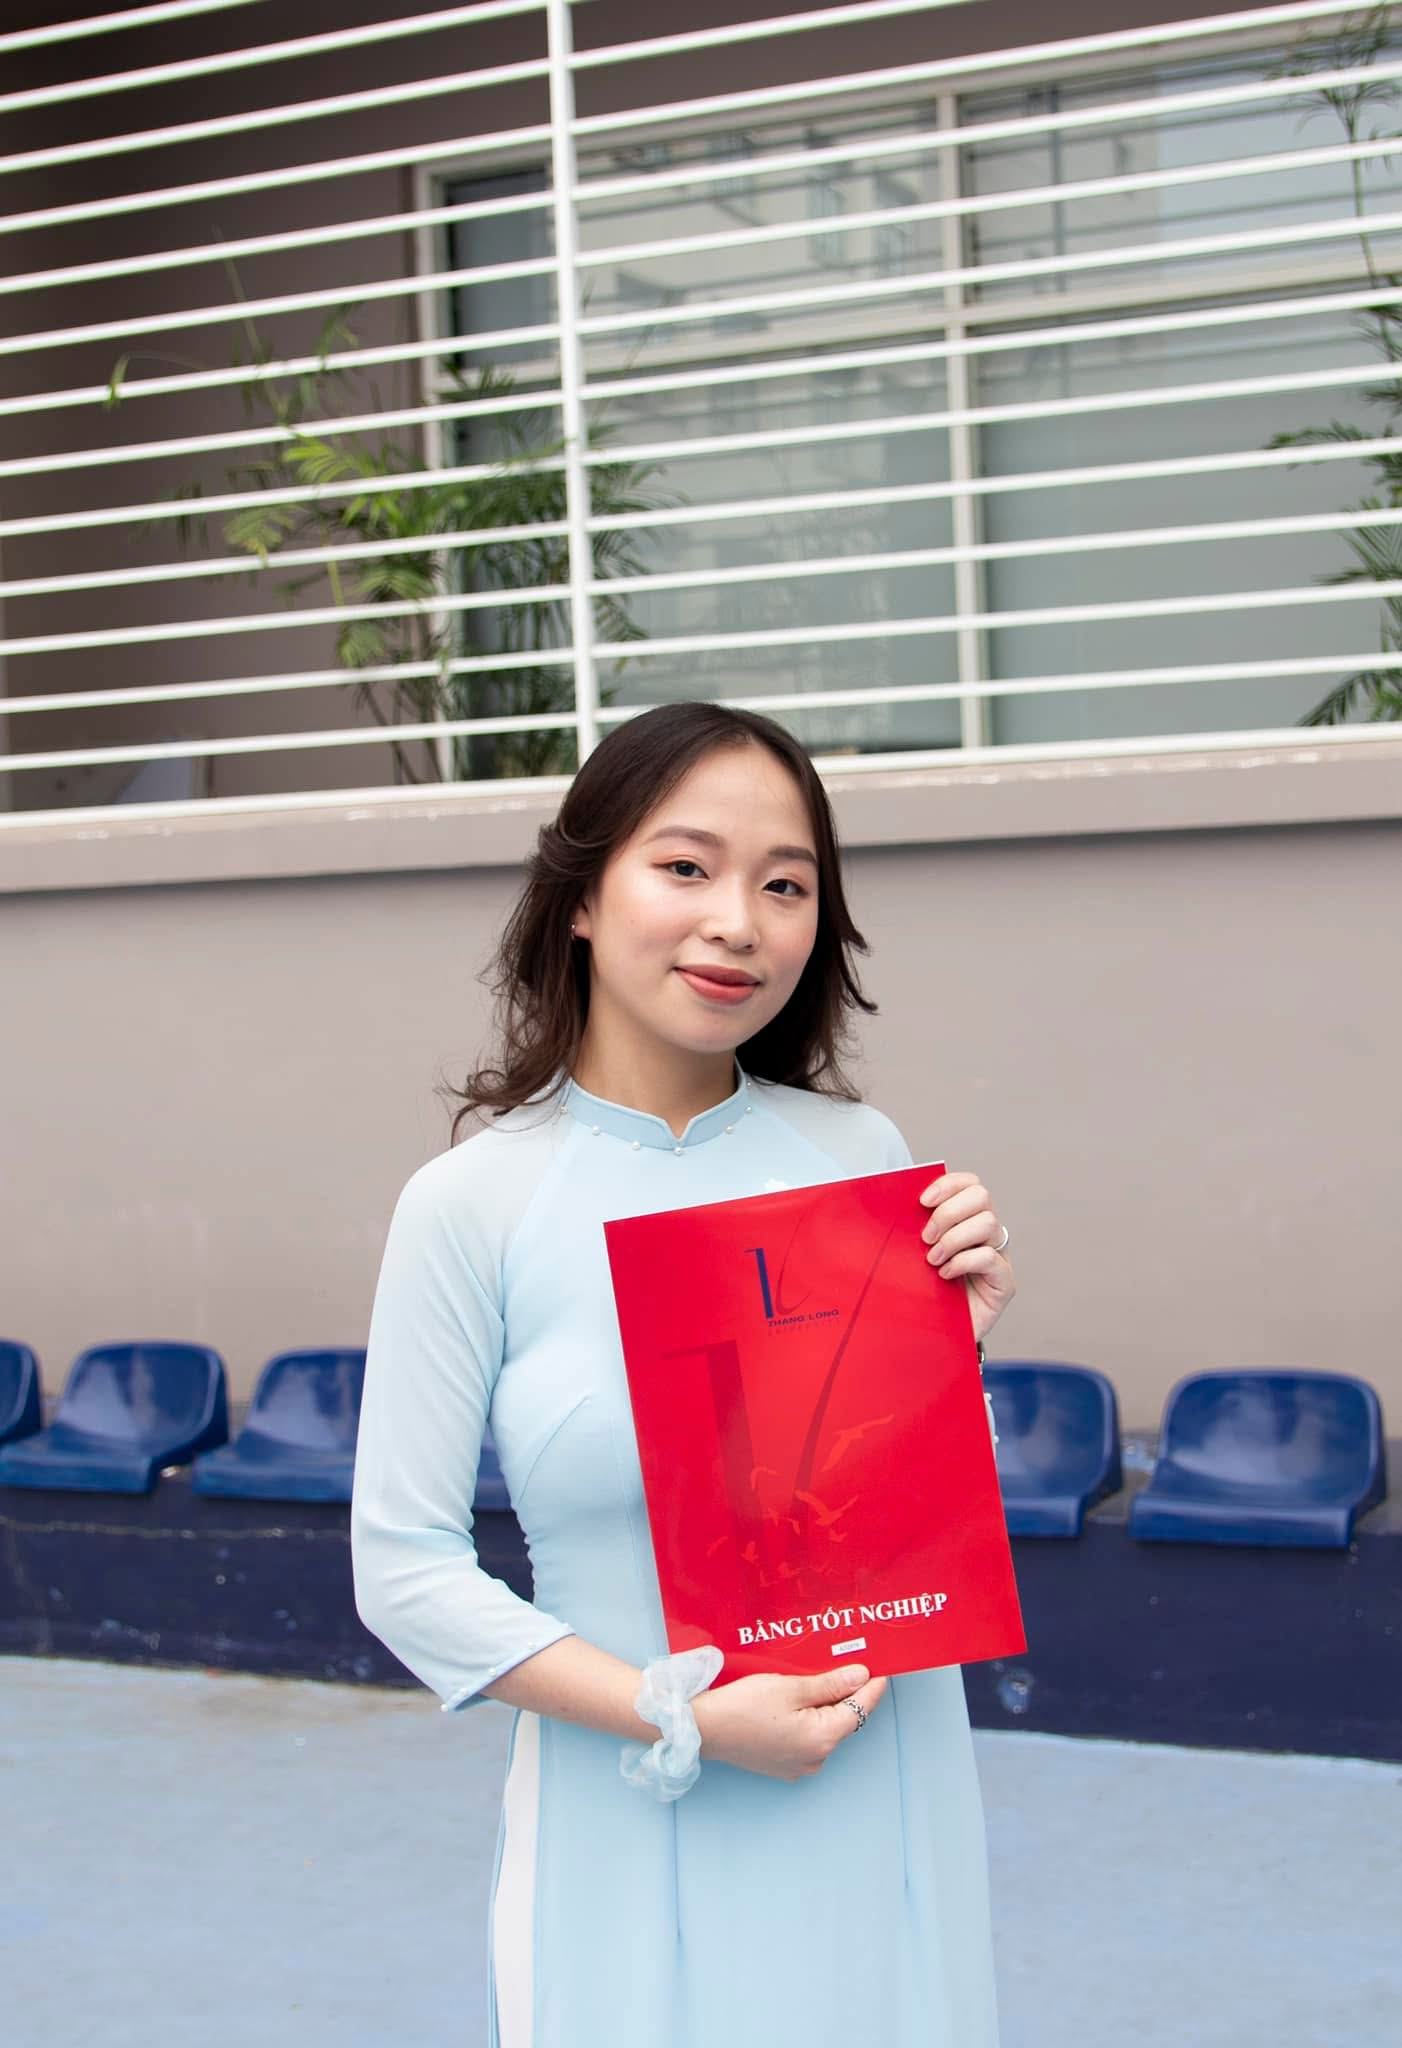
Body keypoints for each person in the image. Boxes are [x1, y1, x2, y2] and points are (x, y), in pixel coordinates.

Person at [350, 700, 1016, 2048]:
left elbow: (899, 1513)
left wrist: (960, 1347)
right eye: (685, 867)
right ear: (580, 895)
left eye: (785, 886)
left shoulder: (860, 1156)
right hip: (631, 1804)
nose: (738, 923)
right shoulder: (472, 1203)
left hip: (879, 1779)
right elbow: (404, 1570)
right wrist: (680, 1713)